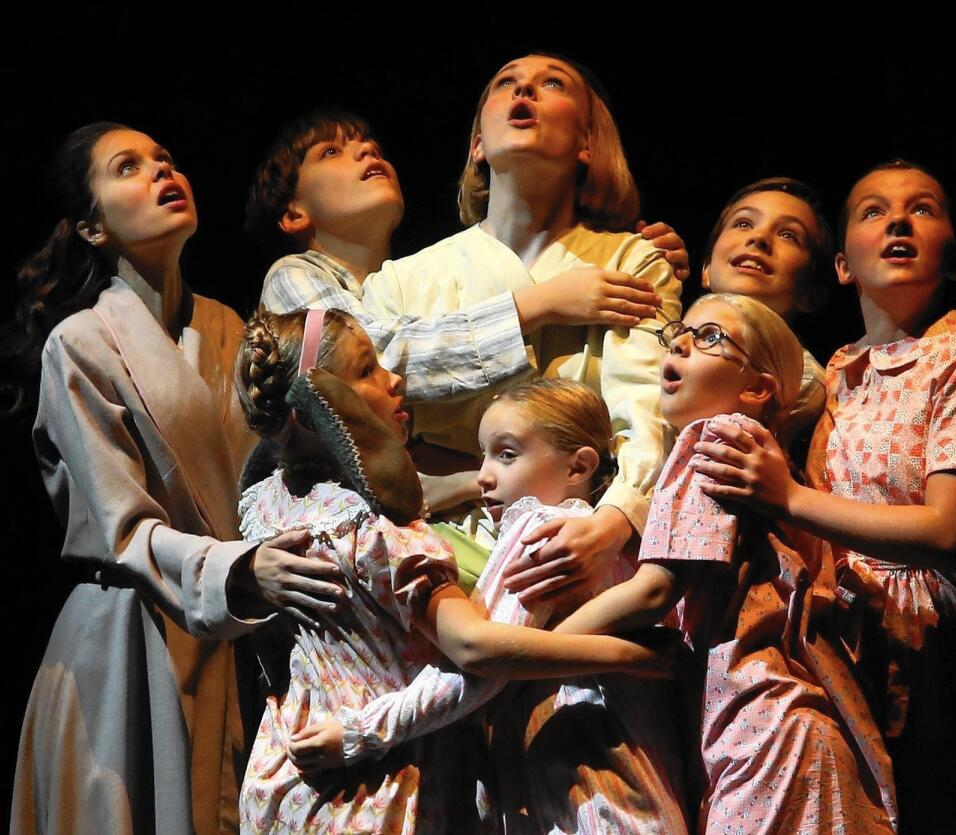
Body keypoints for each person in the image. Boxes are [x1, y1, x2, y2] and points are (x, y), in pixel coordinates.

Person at [9, 124, 348, 834]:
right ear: (91, 227)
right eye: (128, 167)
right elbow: (122, 527)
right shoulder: (79, 344)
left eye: (166, 158)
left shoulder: (232, 329)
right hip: (128, 638)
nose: (163, 171)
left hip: (240, 631)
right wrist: (240, 567)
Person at [234, 310, 673, 834]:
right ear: (318, 406)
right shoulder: (380, 532)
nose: (394, 378)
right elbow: (475, 649)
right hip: (383, 782)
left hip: (287, 764)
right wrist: (634, 654)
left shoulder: (265, 506)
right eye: (368, 370)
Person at [694, 162, 956, 832]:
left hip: (931, 650)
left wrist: (784, 496)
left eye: (923, 209)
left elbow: (945, 527)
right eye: (874, 211)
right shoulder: (836, 371)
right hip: (838, 635)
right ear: (842, 266)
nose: (898, 220)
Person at [552, 293, 897, 833]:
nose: (684, 342)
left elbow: (654, 591)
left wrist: (538, 661)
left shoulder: (715, 441)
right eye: (679, 334)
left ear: (757, 388)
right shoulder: (768, 466)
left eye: (710, 337)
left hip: (763, 731)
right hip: (781, 730)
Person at [246, 109, 686, 512]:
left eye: (374, 148)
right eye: (331, 152)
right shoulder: (293, 276)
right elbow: (375, 355)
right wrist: (539, 303)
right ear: (293, 214)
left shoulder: (409, 279)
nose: (365, 151)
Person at [362, 54, 682, 597]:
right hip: (429, 549)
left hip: (584, 542)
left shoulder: (631, 261)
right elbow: (378, 375)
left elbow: (649, 410)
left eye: (551, 84)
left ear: (586, 143)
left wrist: (617, 518)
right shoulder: (400, 280)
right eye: (506, 83)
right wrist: (537, 305)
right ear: (477, 146)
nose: (524, 91)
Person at [701, 177, 835, 457]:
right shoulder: (664, 337)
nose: (758, 238)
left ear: (811, 294)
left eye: (788, 235)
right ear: (706, 268)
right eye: (743, 223)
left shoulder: (801, 380)